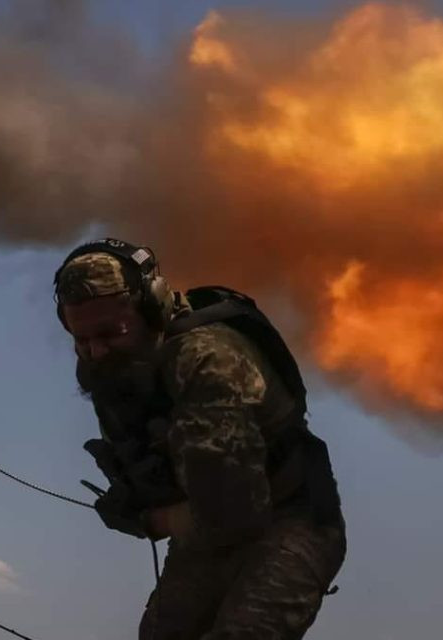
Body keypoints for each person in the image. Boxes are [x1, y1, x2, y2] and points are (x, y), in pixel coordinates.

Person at [54, 238, 346, 640]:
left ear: (152, 308)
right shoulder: (118, 366)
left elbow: (233, 513)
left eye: (110, 333)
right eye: (82, 339)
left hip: (291, 519)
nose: (96, 351)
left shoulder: (209, 361)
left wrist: (148, 520)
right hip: (206, 530)